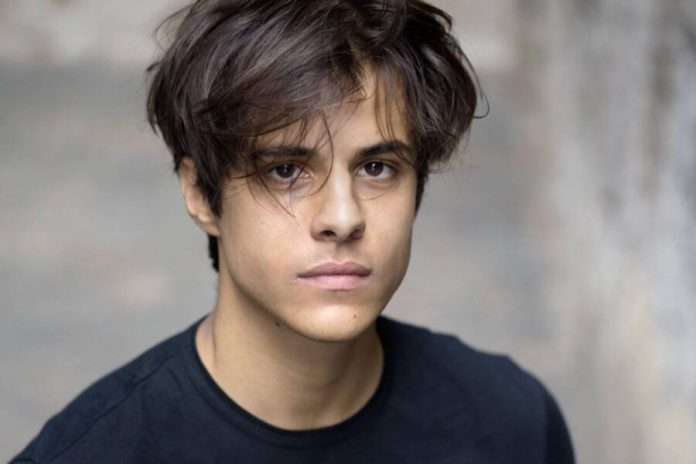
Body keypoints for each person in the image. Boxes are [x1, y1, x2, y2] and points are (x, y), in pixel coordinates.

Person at [11, 0, 575, 462]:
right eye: (285, 171)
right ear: (201, 194)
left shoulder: (512, 422)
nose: (343, 218)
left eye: (377, 167)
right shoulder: (92, 453)